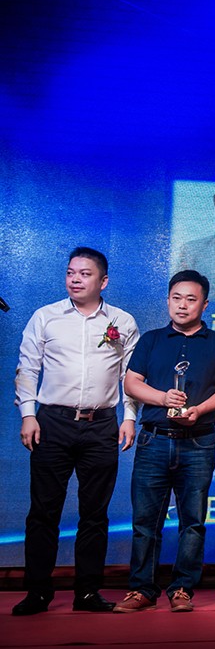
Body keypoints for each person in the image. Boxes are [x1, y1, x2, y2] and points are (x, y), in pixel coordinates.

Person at [13, 247, 139, 616]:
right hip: (51, 422)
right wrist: (28, 414)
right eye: (70, 272)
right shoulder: (45, 317)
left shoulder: (122, 321)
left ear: (103, 281)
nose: (75, 279)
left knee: (95, 513)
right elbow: (27, 368)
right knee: (43, 510)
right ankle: (38, 591)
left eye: (85, 274)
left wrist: (129, 417)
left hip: (101, 425)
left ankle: (87, 592)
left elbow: (130, 376)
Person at [113, 270, 215, 613]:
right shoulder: (152, 340)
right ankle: (141, 589)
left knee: (193, 522)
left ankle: (182, 588)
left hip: (198, 442)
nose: (183, 305)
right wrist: (161, 398)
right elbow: (131, 383)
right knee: (145, 521)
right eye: (176, 298)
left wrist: (199, 409)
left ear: (205, 304)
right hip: (154, 441)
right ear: (168, 300)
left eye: (191, 299)